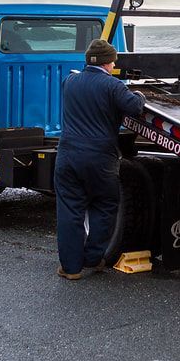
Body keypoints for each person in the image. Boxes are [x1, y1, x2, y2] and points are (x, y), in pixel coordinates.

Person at [54, 38, 145, 280]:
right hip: (99, 157)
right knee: (104, 206)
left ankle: (70, 268)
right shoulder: (112, 86)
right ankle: (93, 258)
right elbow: (135, 107)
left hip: (67, 155)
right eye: (113, 60)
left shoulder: (69, 82)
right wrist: (138, 94)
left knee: (70, 210)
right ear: (109, 62)